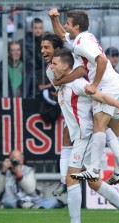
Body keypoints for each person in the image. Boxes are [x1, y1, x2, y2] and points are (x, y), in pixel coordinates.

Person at [50, 48, 119, 223]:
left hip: (86, 138)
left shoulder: (77, 84)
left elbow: (99, 95)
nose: (51, 66)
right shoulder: (62, 85)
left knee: (71, 178)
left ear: (66, 66)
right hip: (82, 138)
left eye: (54, 63)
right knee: (93, 182)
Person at [49, 8, 119, 182]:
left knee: (99, 125)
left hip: (108, 86)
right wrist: (53, 19)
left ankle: (94, 168)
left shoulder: (81, 43)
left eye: (68, 23)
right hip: (117, 83)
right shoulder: (83, 37)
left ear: (76, 26)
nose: (64, 25)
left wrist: (94, 84)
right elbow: (63, 35)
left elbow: (102, 59)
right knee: (115, 129)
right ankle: (118, 170)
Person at [40, 32, 87, 196]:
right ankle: (63, 180)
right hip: (75, 104)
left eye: (46, 47)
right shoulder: (49, 71)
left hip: (89, 99)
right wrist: (60, 83)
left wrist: (61, 82)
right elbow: (61, 82)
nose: (42, 50)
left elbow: (82, 71)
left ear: (58, 49)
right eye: (41, 47)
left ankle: (113, 164)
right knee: (66, 135)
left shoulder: (72, 58)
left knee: (105, 129)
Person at [0, 150, 64, 209]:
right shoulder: (5, 171)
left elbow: (30, 190)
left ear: (22, 159)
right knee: (7, 201)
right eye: (14, 159)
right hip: (13, 201)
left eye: (19, 159)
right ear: (9, 160)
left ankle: (27, 206)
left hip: (32, 200)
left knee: (52, 200)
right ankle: (27, 206)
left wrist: (19, 175)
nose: (17, 161)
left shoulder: (29, 170)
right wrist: (3, 171)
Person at [19, 18, 45, 93]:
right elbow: (29, 62)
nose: (38, 30)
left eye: (40, 28)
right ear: (31, 29)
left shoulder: (45, 42)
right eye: (35, 28)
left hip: (42, 75)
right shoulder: (24, 43)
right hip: (29, 74)